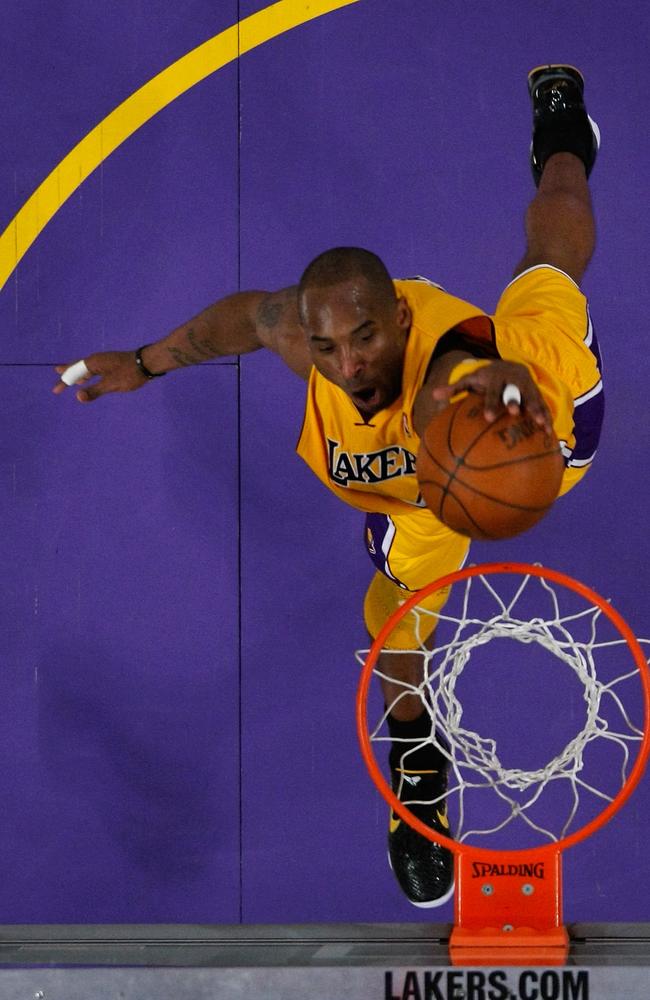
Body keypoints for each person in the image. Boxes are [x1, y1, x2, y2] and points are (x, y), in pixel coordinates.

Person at [53, 66, 603, 907]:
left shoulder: (442, 367)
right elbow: (237, 321)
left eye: (368, 338)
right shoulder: (304, 340)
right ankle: (420, 767)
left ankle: (565, 140)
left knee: (551, 256)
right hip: (423, 502)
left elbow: (459, 376)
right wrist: (143, 362)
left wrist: (495, 384)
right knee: (394, 625)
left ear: (403, 321)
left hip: (539, 424)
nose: (349, 365)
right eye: (329, 347)